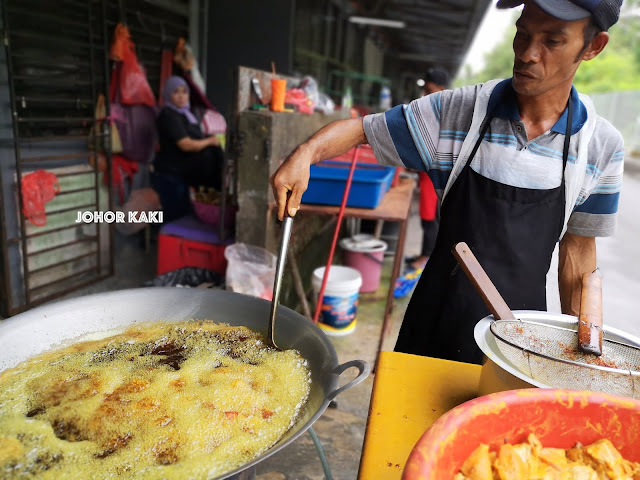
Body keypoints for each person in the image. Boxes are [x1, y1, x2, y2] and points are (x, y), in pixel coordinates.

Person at [270, 0, 625, 365]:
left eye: (552, 41)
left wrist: (576, 360)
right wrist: (307, 153)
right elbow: (362, 129)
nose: (528, 54)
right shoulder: (458, 112)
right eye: (522, 34)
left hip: (519, 343)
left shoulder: (599, 147)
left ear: (593, 47)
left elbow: (578, 256)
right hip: (433, 328)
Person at [407, 67, 450, 270]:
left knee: (429, 217)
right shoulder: (432, 109)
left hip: (434, 175)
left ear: (441, 88)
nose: (425, 94)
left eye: (429, 90)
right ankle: (427, 254)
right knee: (430, 216)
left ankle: (426, 257)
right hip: (426, 172)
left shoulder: (446, 111)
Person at [154, 76, 224, 192]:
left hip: (186, 162)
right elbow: (185, 144)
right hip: (175, 165)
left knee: (215, 152)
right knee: (209, 154)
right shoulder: (169, 115)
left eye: (184, 92)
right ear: (168, 94)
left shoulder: (187, 114)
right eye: (176, 92)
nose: (181, 96)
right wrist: (209, 141)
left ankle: (214, 195)